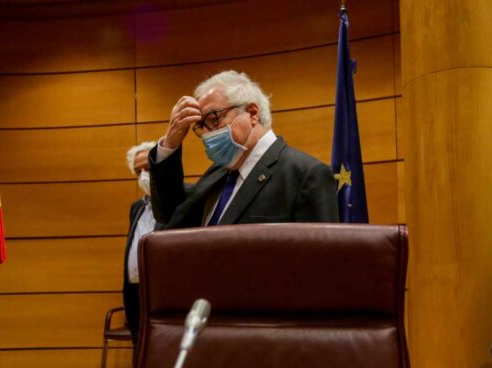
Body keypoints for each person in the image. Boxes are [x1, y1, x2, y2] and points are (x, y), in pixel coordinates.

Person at [148, 70, 338, 228]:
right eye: (201, 126)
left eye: (214, 119)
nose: (206, 133)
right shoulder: (218, 173)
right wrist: (170, 145)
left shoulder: (305, 175)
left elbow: (319, 262)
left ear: (252, 113)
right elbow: (169, 214)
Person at [122, 141, 162, 345]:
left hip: (164, 292)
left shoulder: (184, 197)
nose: (144, 175)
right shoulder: (137, 207)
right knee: (141, 350)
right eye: (138, 171)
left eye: (148, 168)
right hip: (137, 293)